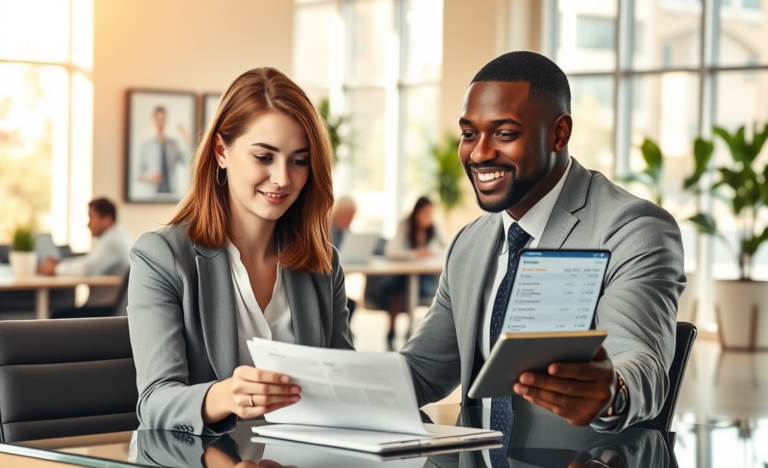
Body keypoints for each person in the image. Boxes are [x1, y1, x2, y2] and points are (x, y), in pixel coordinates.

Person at [400, 50, 685, 445]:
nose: (479, 153)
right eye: (469, 134)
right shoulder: (471, 242)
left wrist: (610, 392)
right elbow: (421, 370)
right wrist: (325, 383)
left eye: (504, 133)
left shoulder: (633, 228)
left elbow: (642, 363)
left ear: (559, 134)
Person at [127, 67, 353, 436]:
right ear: (221, 151)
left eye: (298, 160)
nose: (283, 178)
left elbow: (344, 384)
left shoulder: (323, 265)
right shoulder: (161, 257)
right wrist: (226, 396)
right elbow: (154, 401)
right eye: (264, 157)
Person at [37, 198, 133, 317]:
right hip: (103, 305)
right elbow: (89, 261)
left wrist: (55, 269)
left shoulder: (113, 241)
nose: (88, 224)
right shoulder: (113, 235)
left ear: (107, 220)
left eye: (91, 218)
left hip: (105, 310)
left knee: (57, 316)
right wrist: (61, 263)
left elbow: (87, 268)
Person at [377, 196, 446, 349]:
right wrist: (415, 254)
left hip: (423, 274)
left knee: (425, 291)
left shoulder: (433, 228)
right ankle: (392, 329)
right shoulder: (405, 225)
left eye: (430, 213)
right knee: (398, 286)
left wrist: (431, 252)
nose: (428, 217)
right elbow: (391, 251)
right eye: (424, 213)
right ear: (416, 213)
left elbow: (447, 248)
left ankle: (415, 331)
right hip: (401, 273)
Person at [138, 106, 189, 195]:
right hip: (152, 194)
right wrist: (149, 177)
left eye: (163, 119)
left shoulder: (174, 144)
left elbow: (188, 162)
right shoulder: (145, 146)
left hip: (172, 192)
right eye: (158, 118)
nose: (160, 122)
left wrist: (186, 137)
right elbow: (136, 174)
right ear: (153, 120)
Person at [330, 195, 358, 320]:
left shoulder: (344, 229)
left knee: (351, 303)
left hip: (336, 278)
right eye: (349, 216)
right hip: (327, 280)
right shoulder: (326, 226)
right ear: (339, 212)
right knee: (348, 303)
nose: (351, 220)